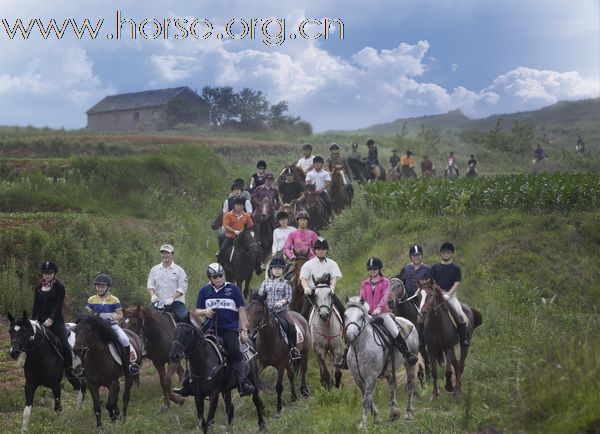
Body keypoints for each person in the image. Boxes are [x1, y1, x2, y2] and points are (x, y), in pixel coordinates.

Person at [197, 263, 254, 396]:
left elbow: (241, 309)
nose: (218, 279)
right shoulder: (204, 291)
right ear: (210, 278)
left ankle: (242, 382)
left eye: (220, 275)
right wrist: (206, 311)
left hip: (228, 329)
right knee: (194, 348)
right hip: (210, 328)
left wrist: (243, 329)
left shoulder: (233, 289)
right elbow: (197, 311)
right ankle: (189, 381)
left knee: (235, 351)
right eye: (215, 276)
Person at [31, 261, 80, 390]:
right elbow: (35, 304)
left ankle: (70, 369)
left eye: (50, 273)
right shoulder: (38, 287)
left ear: (54, 273)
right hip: (40, 321)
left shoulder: (59, 287)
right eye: (45, 273)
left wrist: (52, 319)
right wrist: (33, 320)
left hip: (56, 321)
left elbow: (57, 305)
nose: (47, 275)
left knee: (64, 344)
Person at [361, 258, 418, 365]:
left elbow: (385, 296)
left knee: (394, 332)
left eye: (374, 268)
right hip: (368, 314)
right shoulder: (365, 284)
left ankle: (407, 353)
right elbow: (362, 297)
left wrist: (379, 308)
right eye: (370, 269)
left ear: (379, 269)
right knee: (354, 329)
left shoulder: (385, 282)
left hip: (382, 314)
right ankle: (346, 357)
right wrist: (363, 307)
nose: (372, 270)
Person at [86, 273, 140, 376]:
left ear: (107, 287)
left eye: (102, 287)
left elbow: (120, 315)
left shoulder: (114, 299)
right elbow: (89, 314)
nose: (100, 289)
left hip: (111, 326)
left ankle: (128, 365)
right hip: (96, 328)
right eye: (98, 286)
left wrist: (112, 317)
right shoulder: (91, 299)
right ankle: (82, 367)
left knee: (124, 339)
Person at [257, 258, 301, 360]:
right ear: (271, 270)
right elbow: (260, 295)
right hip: (267, 312)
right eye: (275, 268)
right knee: (255, 325)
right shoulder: (265, 282)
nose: (277, 270)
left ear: (282, 270)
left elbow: (289, 297)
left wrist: (282, 302)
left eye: (280, 269)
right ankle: (253, 347)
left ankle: (293, 349)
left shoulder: (286, 283)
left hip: (281, 311)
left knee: (291, 325)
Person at [430, 242, 469, 347]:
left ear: (452, 254)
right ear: (441, 254)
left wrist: (449, 294)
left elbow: (457, 283)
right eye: (443, 252)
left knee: (459, 313)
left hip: (450, 296)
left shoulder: (455, 268)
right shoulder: (434, 267)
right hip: (437, 295)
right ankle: (423, 338)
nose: (446, 254)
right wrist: (440, 292)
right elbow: (432, 282)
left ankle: (463, 339)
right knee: (426, 311)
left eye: (448, 252)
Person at [299, 237, 345, 318]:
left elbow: (334, 277)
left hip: (328, 292)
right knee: (304, 314)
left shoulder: (333, 264)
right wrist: (306, 288)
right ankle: (304, 330)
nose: (321, 251)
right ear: (315, 250)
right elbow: (303, 278)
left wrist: (332, 287)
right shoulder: (308, 264)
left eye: (323, 249)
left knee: (342, 310)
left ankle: (344, 330)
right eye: (318, 249)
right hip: (313, 293)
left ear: (326, 250)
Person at [397, 245, 431, 349]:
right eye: (414, 255)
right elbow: (400, 283)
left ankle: (423, 341)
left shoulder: (427, 270)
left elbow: (430, 286)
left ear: (421, 256)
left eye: (418, 255)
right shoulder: (405, 269)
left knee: (424, 318)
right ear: (411, 257)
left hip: (421, 300)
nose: (416, 257)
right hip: (407, 300)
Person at [147, 243, 189, 322]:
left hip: (176, 304)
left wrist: (172, 298)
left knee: (185, 318)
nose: (165, 255)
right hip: (158, 303)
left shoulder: (179, 270)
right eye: (163, 253)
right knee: (145, 320)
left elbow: (182, 287)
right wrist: (152, 295)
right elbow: (150, 286)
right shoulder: (154, 270)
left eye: (167, 253)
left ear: (172, 254)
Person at [219, 197, 255, 266]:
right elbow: (226, 226)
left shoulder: (246, 216)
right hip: (231, 236)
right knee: (223, 250)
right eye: (237, 205)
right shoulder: (228, 215)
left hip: (243, 238)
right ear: (234, 205)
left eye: (241, 205)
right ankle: (220, 265)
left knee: (254, 248)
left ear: (243, 206)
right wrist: (234, 231)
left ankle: (257, 266)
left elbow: (251, 225)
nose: (239, 207)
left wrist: (244, 230)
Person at [305, 156, 333, 221]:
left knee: (328, 202)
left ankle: (328, 218)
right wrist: (310, 190)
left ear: (321, 164)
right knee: (303, 203)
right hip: (311, 193)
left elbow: (328, 182)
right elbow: (307, 182)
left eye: (319, 163)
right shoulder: (310, 174)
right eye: (316, 163)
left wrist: (321, 189)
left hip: (322, 192)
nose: (317, 164)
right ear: (314, 164)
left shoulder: (325, 173)